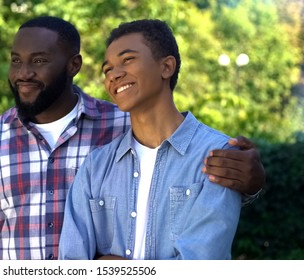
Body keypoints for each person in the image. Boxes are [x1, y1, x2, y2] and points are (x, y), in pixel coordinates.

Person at [0, 16, 264, 260]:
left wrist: (253, 181)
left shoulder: (125, 122)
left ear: (73, 65)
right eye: (15, 60)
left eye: (39, 61)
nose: (24, 73)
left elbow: (202, 259)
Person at [59, 19, 244, 260]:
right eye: (107, 69)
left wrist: (110, 264)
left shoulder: (217, 155)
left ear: (166, 67)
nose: (114, 75)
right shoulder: (96, 166)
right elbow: (72, 264)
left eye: (127, 60)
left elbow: (202, 263)